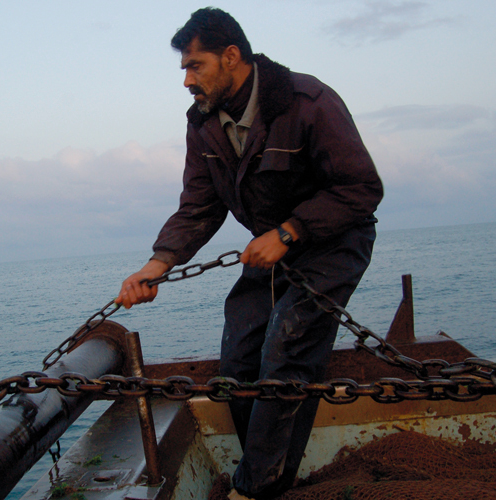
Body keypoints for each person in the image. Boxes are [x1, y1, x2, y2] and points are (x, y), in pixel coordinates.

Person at [115, 8, 383, 500]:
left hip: (332, 242)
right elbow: (199, 205)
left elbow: (362, 189)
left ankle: (256, 488)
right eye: (185, 70)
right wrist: (156, 265)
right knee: (237, 360)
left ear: (231, 56)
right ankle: (271, 471)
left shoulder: (308, 101)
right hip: (270, 254)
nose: (187, 81)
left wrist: (290, 230)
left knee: (288, 345)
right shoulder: (204, 124)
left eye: (195, 66)